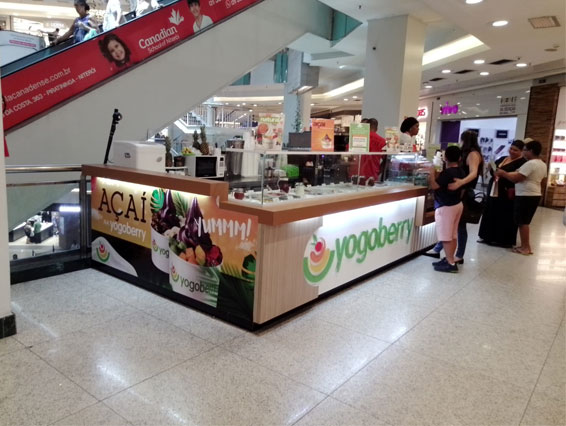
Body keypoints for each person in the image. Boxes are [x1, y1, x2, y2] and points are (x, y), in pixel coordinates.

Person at [425, 130, 483, 263]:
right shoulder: (469, 155)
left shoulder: (473, 154)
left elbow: (473, 173)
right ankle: (444, 251)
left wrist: (460, 183)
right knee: (453, 227)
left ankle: (457, 255)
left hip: (462, 193)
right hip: (460, 192)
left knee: (457, 226)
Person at [496, 140, 547, 255]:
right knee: (524, 221)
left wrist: (504, 174)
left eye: (525, 150)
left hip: (526, 195)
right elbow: (542, 180)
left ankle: (526, 247)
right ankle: (525, 245)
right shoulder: (542, 164)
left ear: (531, 151)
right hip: (534, 194)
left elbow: (517, 178)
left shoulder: (531, 164)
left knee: (522, 222)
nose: (523, 152)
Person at [478, 140, 527, 247]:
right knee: (490, 210)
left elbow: (517, 177)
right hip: (494, 187)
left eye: (515, 150)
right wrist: (492, 170)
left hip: (506, 191)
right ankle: (487, 236)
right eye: (511, 148)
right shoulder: (503, 158)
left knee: (504, 213)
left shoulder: (522, 163)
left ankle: (502, 240)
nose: (512, 151)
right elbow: (494, 169)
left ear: (521, 151)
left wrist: (503, 174)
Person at [428, 145, 466, 273]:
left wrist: (431, 174)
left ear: (445, 158)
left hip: (446, 206)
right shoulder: (461, 171)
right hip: (457, 204)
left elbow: (435, 186)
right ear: (460, 158)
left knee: (445, 236)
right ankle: (450, 258)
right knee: (453, 235)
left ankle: (450, 263)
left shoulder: (447, 173)